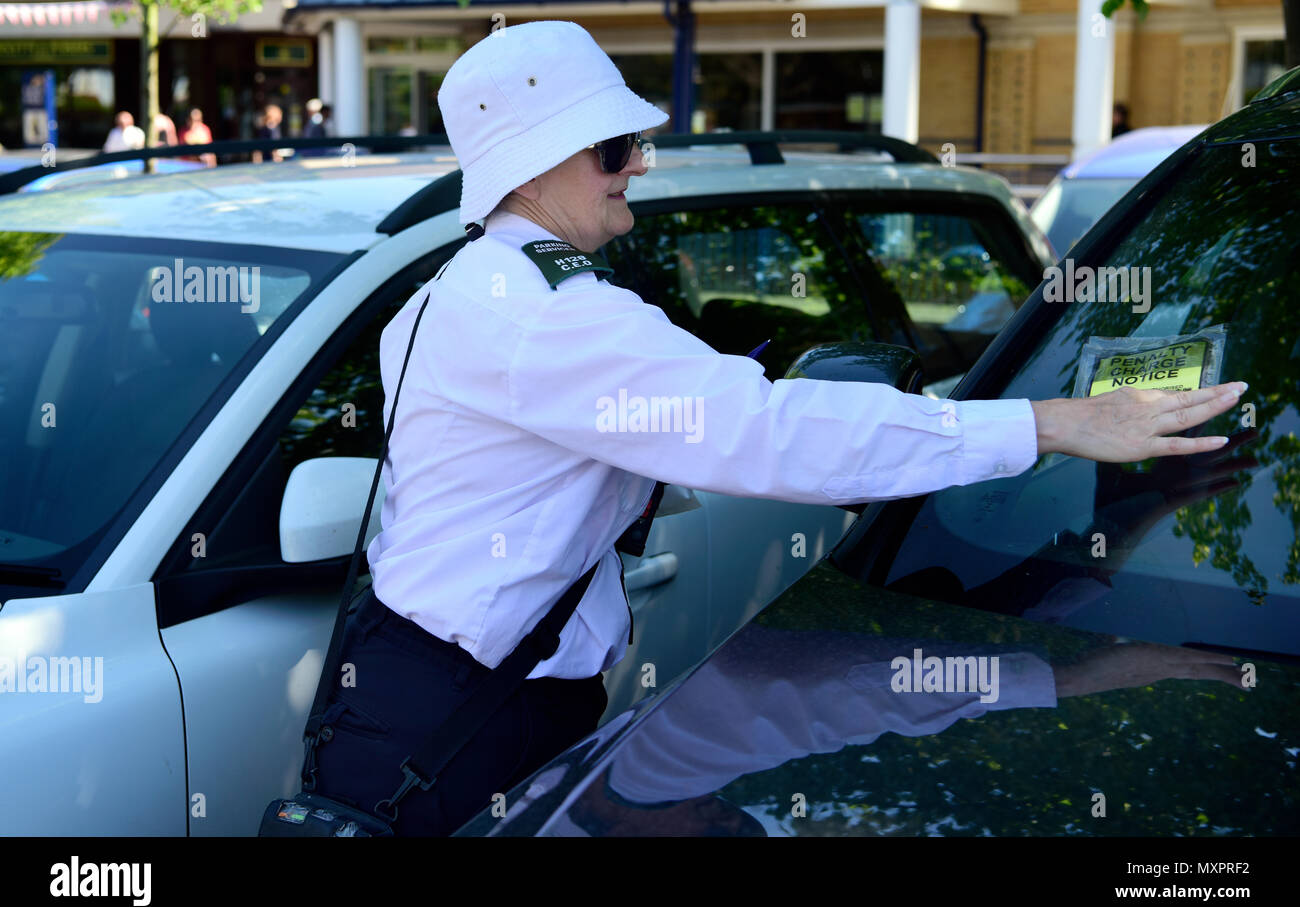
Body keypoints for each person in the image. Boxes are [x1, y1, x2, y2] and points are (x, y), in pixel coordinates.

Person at [308, 20, 1247, 837]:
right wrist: (1053, 423)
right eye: (614, 147)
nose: (641, 161)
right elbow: (772, 432)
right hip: (461, 727)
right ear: (531, 163)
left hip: (423, 694)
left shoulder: (453, 291)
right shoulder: (550, 315)